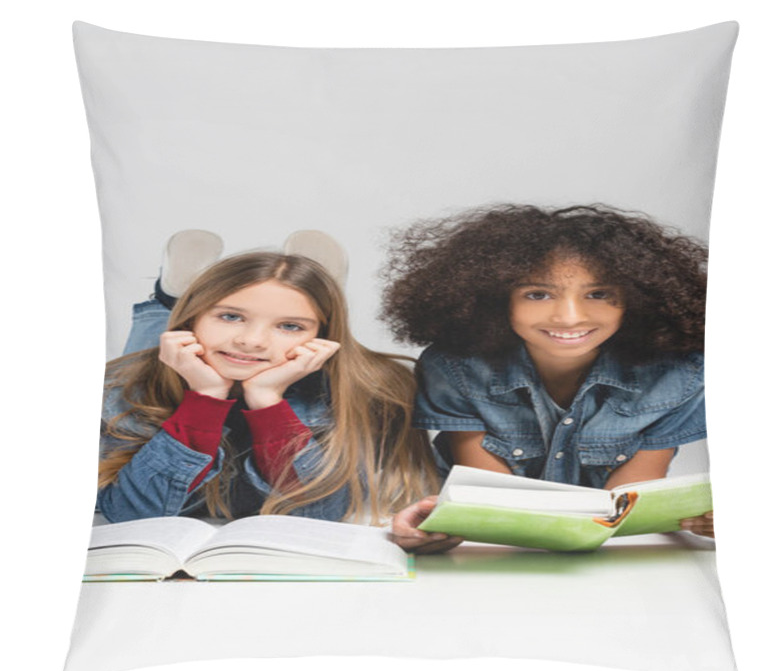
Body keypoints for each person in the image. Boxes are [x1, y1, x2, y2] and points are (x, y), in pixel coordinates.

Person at [382, 204, 714, 551]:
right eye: (538, 294)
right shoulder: (456, 368)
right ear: (496, 300)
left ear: (636, 301)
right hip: (490, 550)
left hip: (609, 556)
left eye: (598, 294)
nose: (569, 317)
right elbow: (494, 501)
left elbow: (619, 509)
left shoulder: (679, 375)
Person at [99, 241, 438, 524]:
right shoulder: (118, 386)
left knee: (225, 341)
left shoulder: (368, 388)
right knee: (154, 344)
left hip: (285, 372)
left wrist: (267, 399)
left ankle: (306, 292)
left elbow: (318, 514)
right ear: (194, 318)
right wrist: (205, 398)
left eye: (291, 326)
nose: (253, 341)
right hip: (165, 356)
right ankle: (169, 298)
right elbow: (132, 515)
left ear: (321, 337)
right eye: (230, 316)